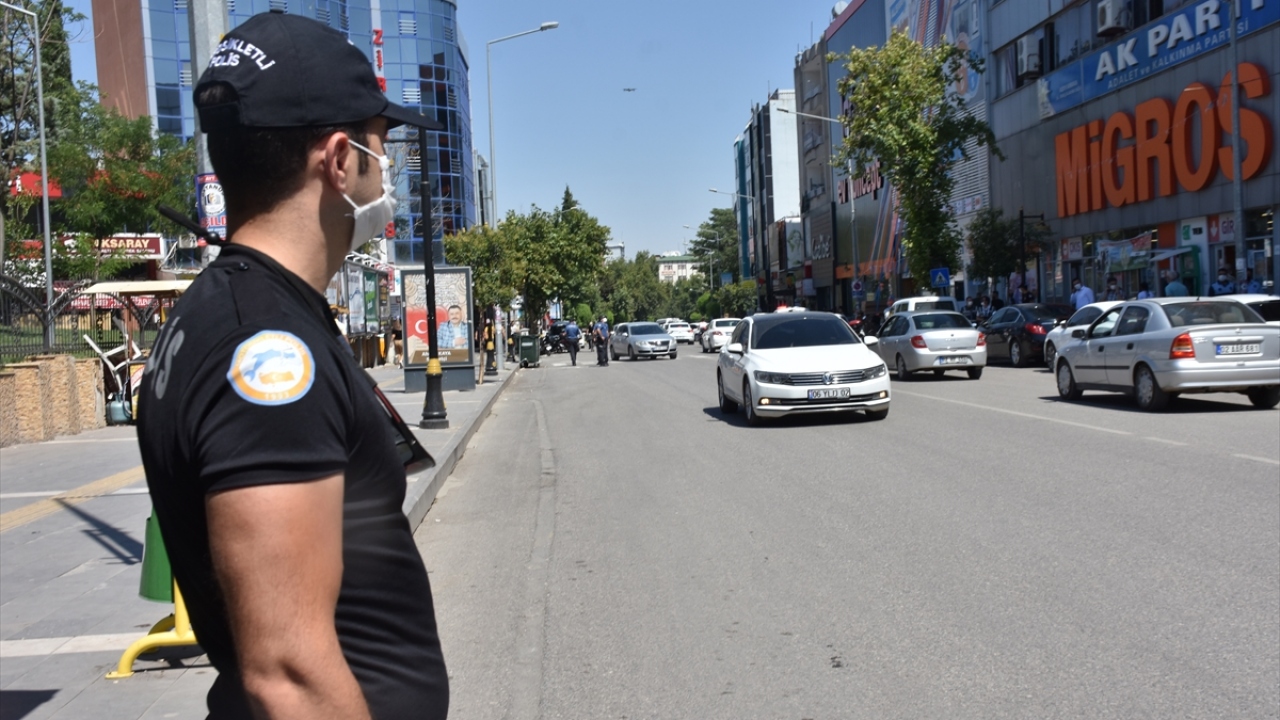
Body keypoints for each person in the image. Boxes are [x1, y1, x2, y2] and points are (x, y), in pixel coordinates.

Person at [135, 12, 447, 719]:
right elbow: (288, 673)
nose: (385, 168)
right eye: (380, 145)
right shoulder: (266, 355)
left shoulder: (242, 312)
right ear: (339, 162)